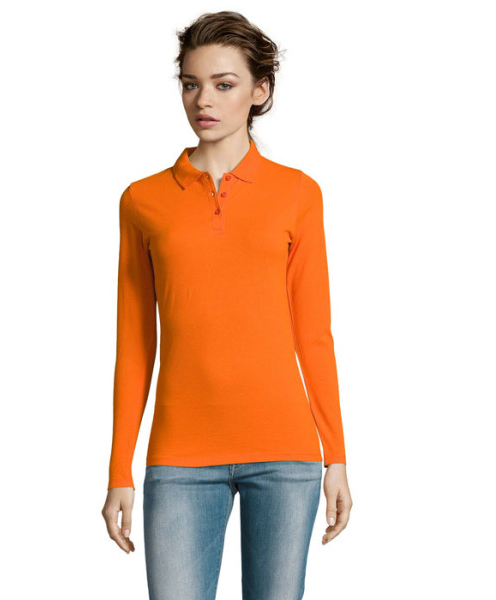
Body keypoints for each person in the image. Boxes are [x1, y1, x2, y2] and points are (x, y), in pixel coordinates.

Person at [101, 10, 353, 599]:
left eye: (224, 83)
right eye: (191, 84)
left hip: (285, 454)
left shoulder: (298, 193)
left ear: (259, 90)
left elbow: (313, 333)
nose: (204, 100)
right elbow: (135, 344)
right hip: (179, 458)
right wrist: (119, 470)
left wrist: (336, 455)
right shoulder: (142, 201)